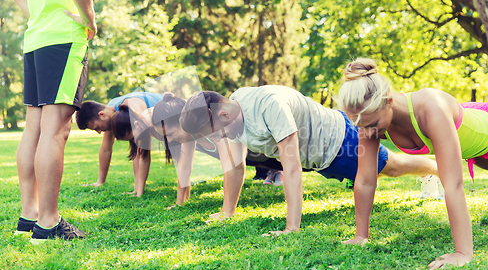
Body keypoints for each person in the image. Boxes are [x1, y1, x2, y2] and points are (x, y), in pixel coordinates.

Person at [179, 86, 440, 235]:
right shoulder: (230, 118)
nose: (216, 139)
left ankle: (433, 169)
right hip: (318, 158)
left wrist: (291, 228)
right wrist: (227, 212)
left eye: (213, 133)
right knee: (387, 169)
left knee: (392, 168)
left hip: (340, 141)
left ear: (223, 114)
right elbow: (234, 166)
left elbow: (291, 169)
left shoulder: (269, 106)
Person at [337, 58, 488, 270]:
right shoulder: (369, 120)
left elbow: (453, 184)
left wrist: (463, 253)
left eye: (372, 125)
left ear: (388, 100)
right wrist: (361, 236)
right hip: (474, 145)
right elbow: (366, 180)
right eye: (359, 126)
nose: (366, 132)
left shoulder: (431, 109)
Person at [13, 0, 96, 242]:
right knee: (55, 129)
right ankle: (48, 223)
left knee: (33, 127)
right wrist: (89, 18)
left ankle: (30, 215)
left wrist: (40, 17)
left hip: (36, 38)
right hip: (63, 35)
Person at [115, 93, 285, 207]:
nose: (171, 140)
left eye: (172, 134)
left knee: (298, 164)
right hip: (253, 155)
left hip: (262, 153)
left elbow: (232, 167)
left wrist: (227, 211)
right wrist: (179, 203)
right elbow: (184, 168)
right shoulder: (189, 135)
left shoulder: (210, 126)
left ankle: (277, 172)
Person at [75, 92, 163, 196]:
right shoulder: (111, 111)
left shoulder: (132, 108)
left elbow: (141, 151)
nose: (99, 132)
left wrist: (138, 190)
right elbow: (105, 149)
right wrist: (100, 181)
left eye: (97, 127)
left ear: (101, 114)